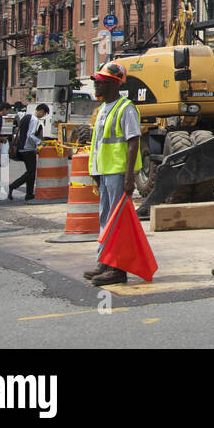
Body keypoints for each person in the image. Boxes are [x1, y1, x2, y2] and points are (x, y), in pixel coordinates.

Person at [82, 63, 142, 287]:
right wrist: (94, 171)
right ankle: (104, 262)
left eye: (101, 82)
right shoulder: (102, 110)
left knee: (116, 222)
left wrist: (129, 177)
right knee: (105, 219)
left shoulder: (125, 108)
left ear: (113, 84)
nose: (96, 85)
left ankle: (117, 268)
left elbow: (133, 141)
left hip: (117, 172)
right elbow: (98, 145)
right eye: (96, 81)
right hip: (105, 171)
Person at [8, 104, 46, 201]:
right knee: (31, 172)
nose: (43, 115)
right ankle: (13, 186)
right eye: (44, 113)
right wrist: (40, 142)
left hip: (21, 147)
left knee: (31, 172)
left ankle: (29, 194)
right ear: (40, 111)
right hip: (28, 149)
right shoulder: (34, 120)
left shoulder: (26, 117)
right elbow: (30, 135)